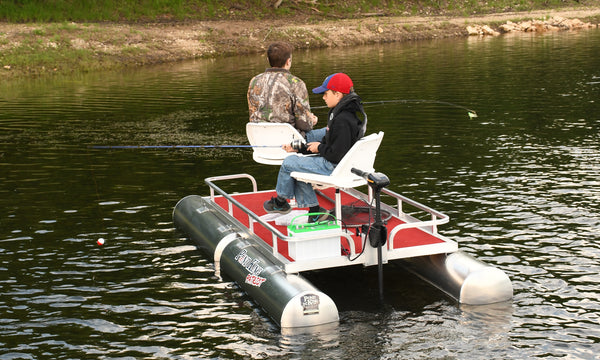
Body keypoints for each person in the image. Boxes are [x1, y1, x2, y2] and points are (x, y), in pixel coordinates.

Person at [263, 72, 366, 223]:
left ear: (337, 94)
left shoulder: (342, 120)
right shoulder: (344, 113)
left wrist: (319, 148)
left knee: (288, 163)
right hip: (339, 162)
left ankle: (280, 203)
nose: (323, 97)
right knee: (297, 162)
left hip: (335, 166)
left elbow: (336, 154)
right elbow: (329, 144)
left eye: (325, 93)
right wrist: (300, 149)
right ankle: (314, 211)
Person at [247, 41, 326, 143]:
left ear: (268, 60)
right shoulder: (296, 83)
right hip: (291, 143)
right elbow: (305, 125)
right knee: (332, 131)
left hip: (261, 143)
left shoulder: (254, 81)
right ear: (288, 61)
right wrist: (312, 120)